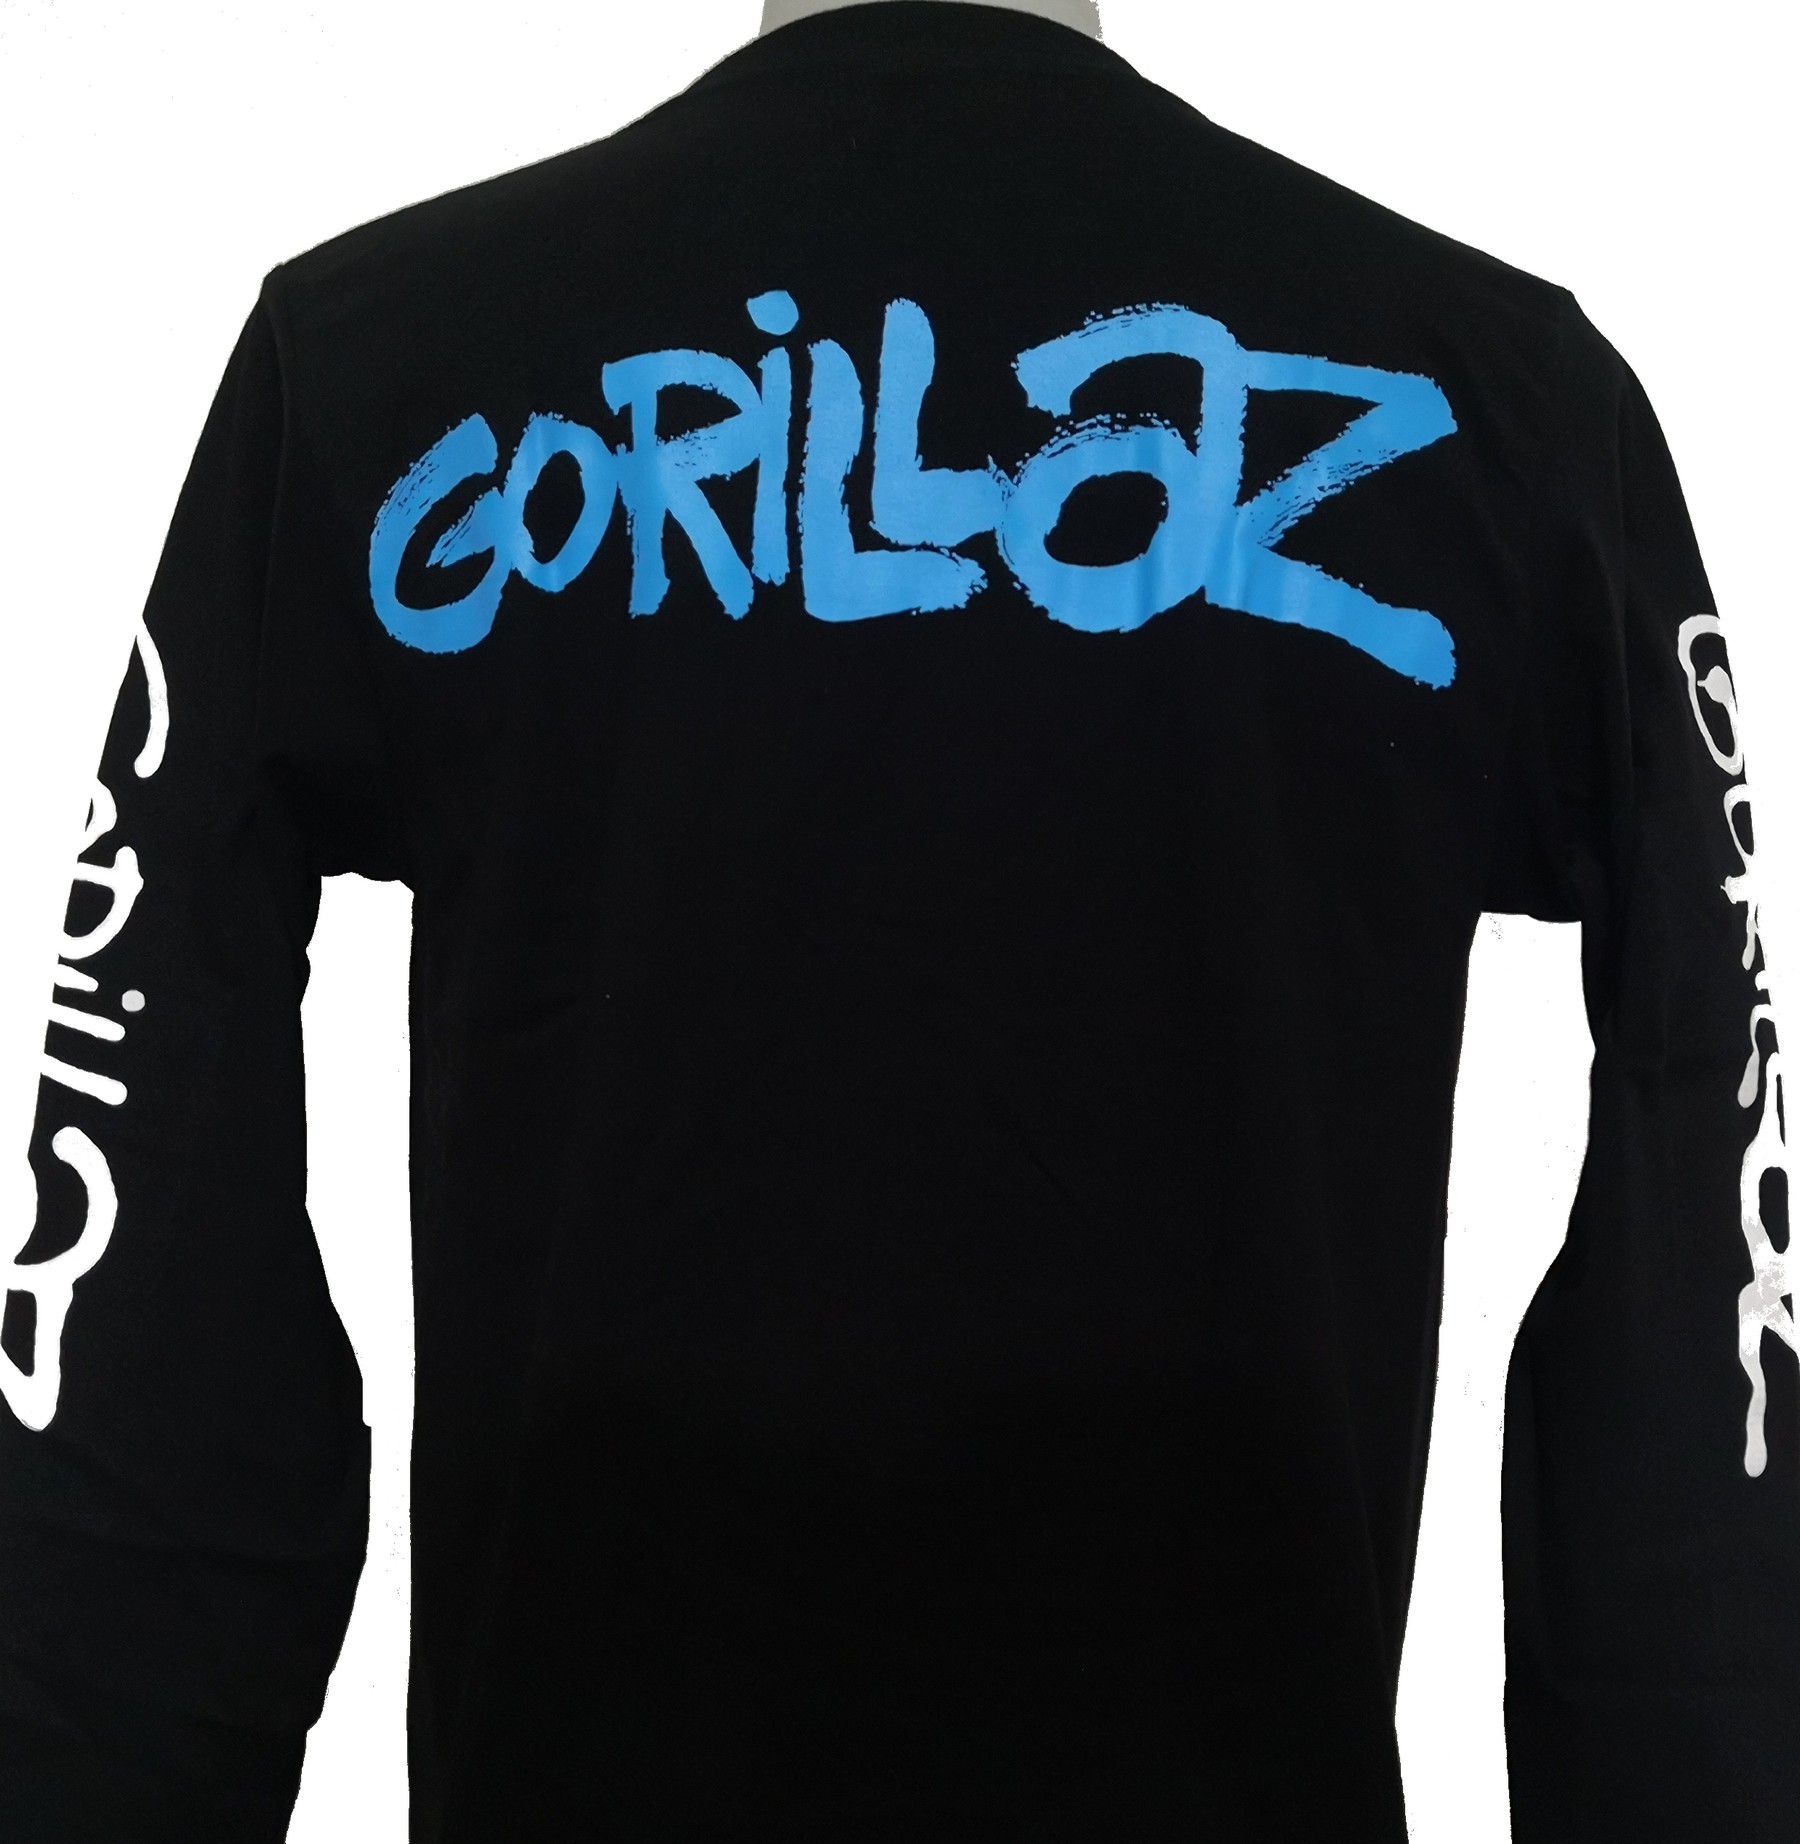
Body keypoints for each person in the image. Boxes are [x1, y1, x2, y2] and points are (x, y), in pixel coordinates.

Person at [3, 3, 1795, 1839]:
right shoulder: (1496, 396)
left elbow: (145, 1197)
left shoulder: (391, 365)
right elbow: (1710, 1229)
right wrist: (1694, 1761)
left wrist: (105, 1751)